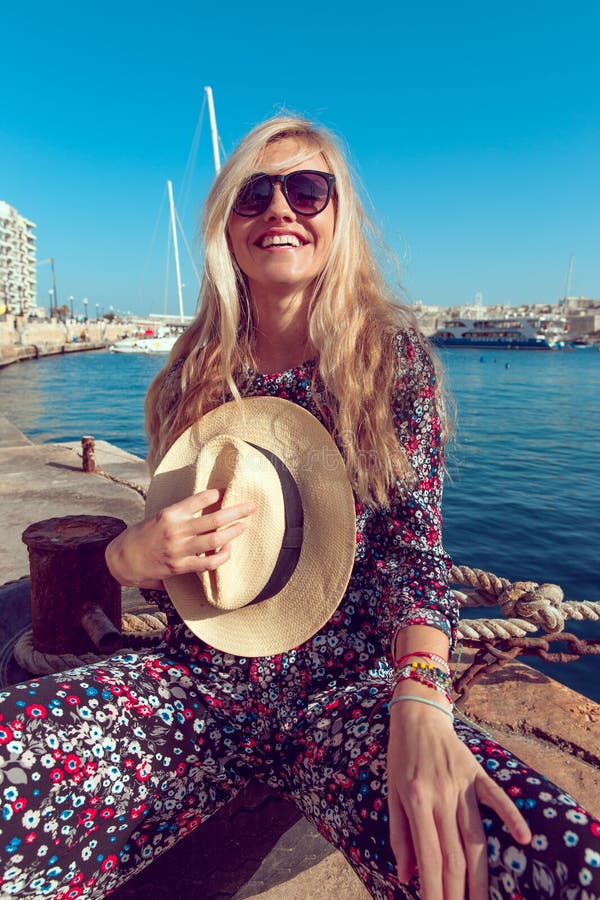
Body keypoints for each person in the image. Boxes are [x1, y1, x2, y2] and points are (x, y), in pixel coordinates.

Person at [1, 117, 599, 900]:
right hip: (196, 685)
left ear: (337, 217)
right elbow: (182, 575)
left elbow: (413, 553)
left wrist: (421, 694)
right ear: (227, 223)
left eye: (307, 189)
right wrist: (129, 557)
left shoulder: (391, 365)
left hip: (348, 695)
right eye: (255, 193)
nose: (281, 208)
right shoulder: (188, 379)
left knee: (537, 856)